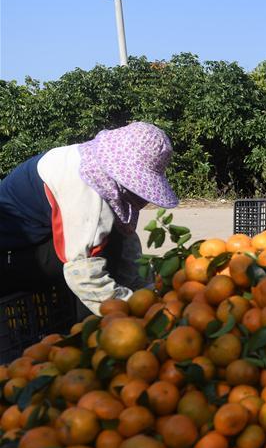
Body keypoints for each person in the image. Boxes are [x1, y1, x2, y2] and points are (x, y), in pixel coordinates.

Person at [0, 122, 179, 316]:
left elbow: (124, 237)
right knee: (96, 255)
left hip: (32, 244)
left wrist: (145, 289)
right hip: (8, 259)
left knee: (108, 241)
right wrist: (131, 312)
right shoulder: (82, 189)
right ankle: (88, 334)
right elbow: (82, 273)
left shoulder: (91, 164)